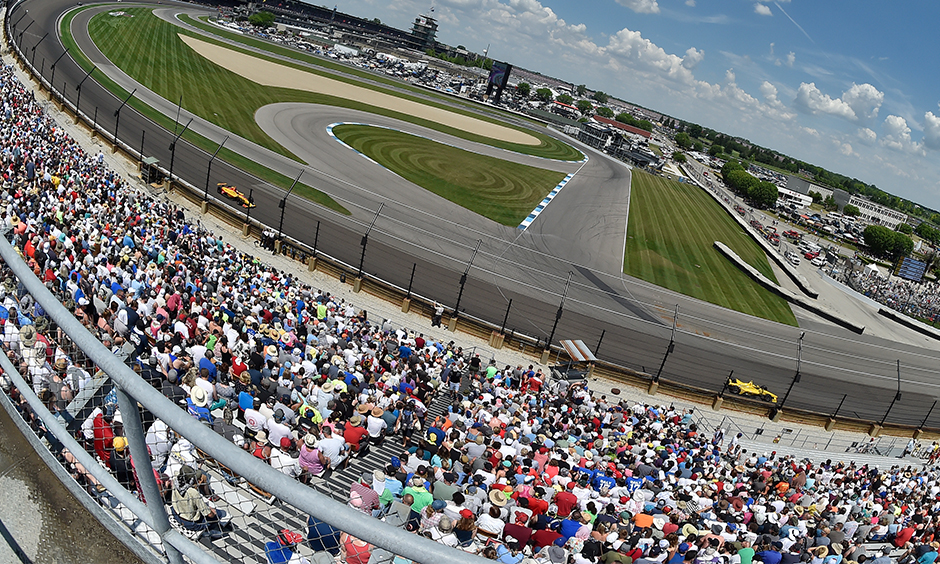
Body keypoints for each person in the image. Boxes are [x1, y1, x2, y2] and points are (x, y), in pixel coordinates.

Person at [171, 465, 228, 540]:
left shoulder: (175, 481)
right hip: (190, 523)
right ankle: (210, 532)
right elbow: (209, 514)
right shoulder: (193, 492)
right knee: (219, 514)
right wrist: (212, 511)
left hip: (175, 512)